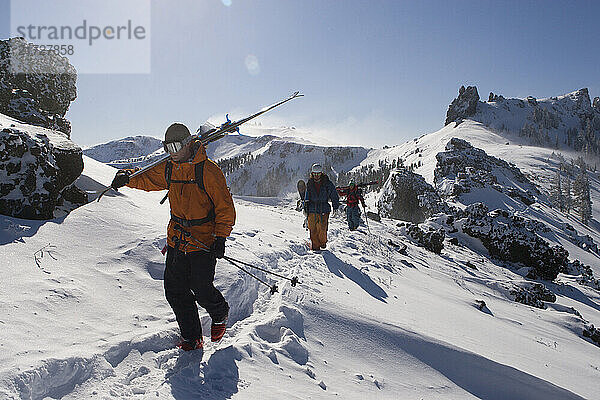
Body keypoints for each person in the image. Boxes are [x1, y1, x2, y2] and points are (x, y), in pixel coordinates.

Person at [110, 122, 236, 351]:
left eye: (176, 146)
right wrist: (127, 177)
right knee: (175, 290)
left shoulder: (208, 170)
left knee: (201, 288)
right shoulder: (169, 167)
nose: (172, 152)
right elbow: (147, 178)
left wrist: (221, 237)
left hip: (202, 240)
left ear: (188, 144)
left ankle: (219, 311)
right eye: (167, 147)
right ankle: (192, 337)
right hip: (177, 238)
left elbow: (224, 207)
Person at [303, 163, 339, 251]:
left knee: (322, 228)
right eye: (314, 174)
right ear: (312, 174)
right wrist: (305, 207)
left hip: (323, 208)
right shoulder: (310, 183)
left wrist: (335, 207)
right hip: (312, 208)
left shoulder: (327, 183)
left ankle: (322, 243)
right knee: (312, 229)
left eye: (318, 174)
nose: (316, 176)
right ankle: (315, 247)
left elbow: (334, 194)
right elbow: (306, 196)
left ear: (321, 173)